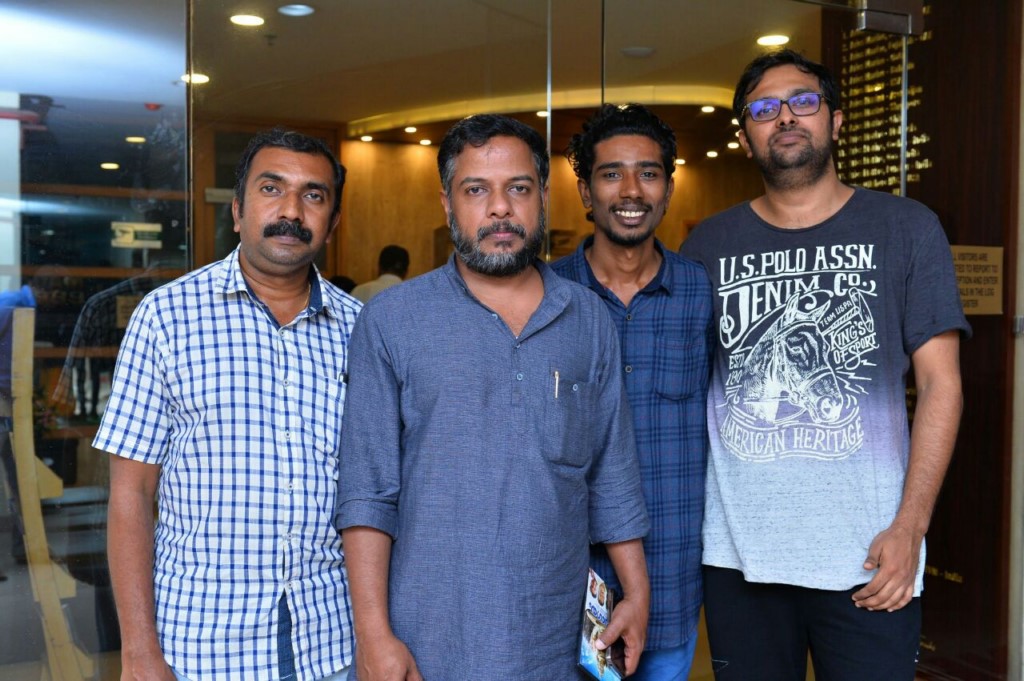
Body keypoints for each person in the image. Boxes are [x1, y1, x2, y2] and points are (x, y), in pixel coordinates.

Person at [680, 49, 970, 680]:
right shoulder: (707, 246)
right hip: (740, 559)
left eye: (803, 101)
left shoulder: (906, 228)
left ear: (835, 121)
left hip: (870, 557)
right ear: (745, 135)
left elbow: (941, 384)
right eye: (764, 109)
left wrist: (911, 527)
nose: (785, 117)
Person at [336, 114, 651, 680]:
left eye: (518, 189)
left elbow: (613, 474)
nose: (500, 208)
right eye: (476, 190)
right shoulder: (391, 321)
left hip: (556, 638)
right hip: (429, 639)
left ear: (543, 198)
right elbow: (368, 494)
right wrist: (374, 634)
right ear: (447, 204)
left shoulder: (587, 318)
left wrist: (637, 592)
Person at [95, 128, 360, 681]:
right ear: (237, 211)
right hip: (202, 645)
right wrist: (138, 650)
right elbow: (131, 495)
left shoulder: (361, 330)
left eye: (313, 195)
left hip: (334, 641)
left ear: (333, 221)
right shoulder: (166, 318)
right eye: (271, 188)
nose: (291, 211)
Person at [552, 103, 713, 681]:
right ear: (585, 191)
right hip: (561, 580)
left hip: (669, 577)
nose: (630, 190)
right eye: (611, 173)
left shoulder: (702, 293)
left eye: (648, 173)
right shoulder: (545, 295)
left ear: (667, 189)